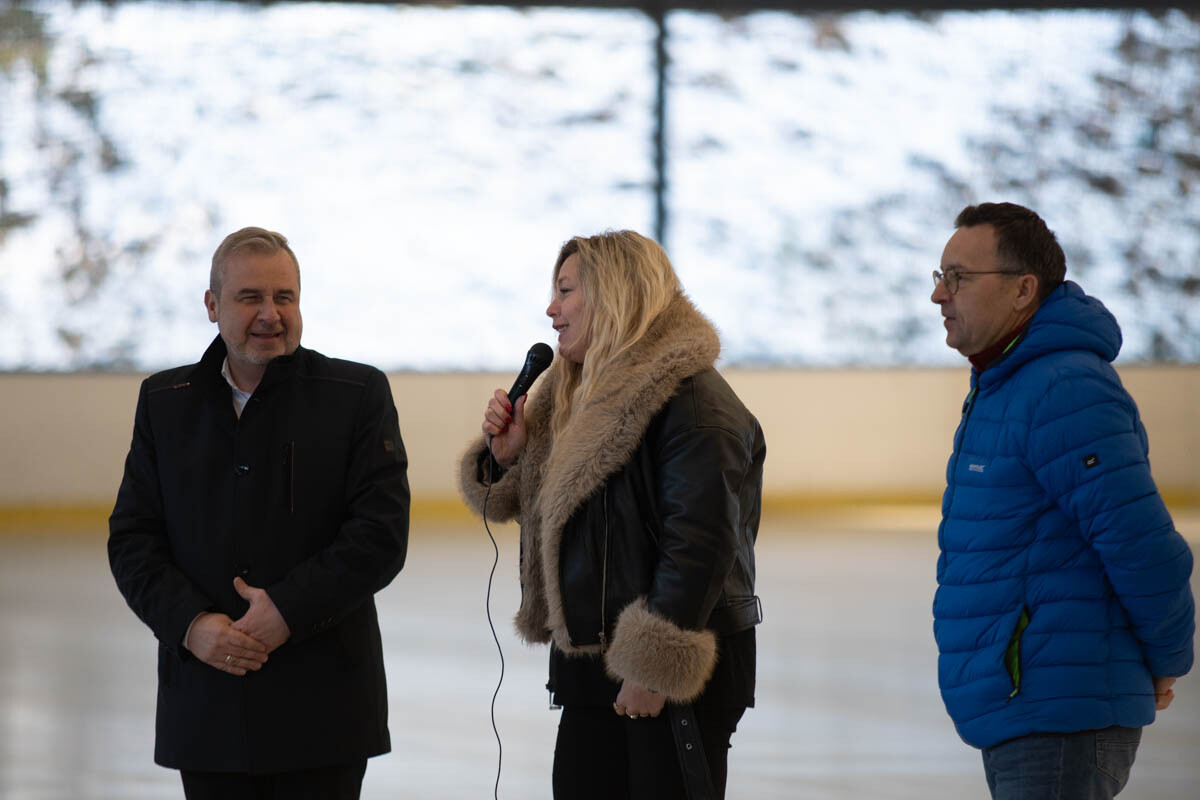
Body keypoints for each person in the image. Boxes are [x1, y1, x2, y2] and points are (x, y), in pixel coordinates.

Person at [458, 230, 765, 799]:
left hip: (669, 673)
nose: (551, 310)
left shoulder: (692, 402)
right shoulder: (574, 395)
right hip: (593, 663)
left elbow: (699, 545)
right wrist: (510, 457)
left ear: (615, 294)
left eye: (566, 291)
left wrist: (651, 669)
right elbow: (561, 517)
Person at [108, 227, 410, 799]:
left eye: (285, 297)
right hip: (205, 705)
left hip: (325, 712)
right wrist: (191, 627)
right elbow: (133, 539)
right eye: (251, 298)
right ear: (212, 305)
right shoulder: (164, 402)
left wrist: (288, 610)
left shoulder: (357, 394)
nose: (271, 315)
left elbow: (381, 535)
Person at [929, 202, 1194, 799]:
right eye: (939, 277)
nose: (939, 296)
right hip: (1030, 708)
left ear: (1024, 289)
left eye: (958, 278)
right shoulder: (1006, 385)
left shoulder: (1063, 388)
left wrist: (1167, 657)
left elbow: (1141, 542)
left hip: (1061, 715)